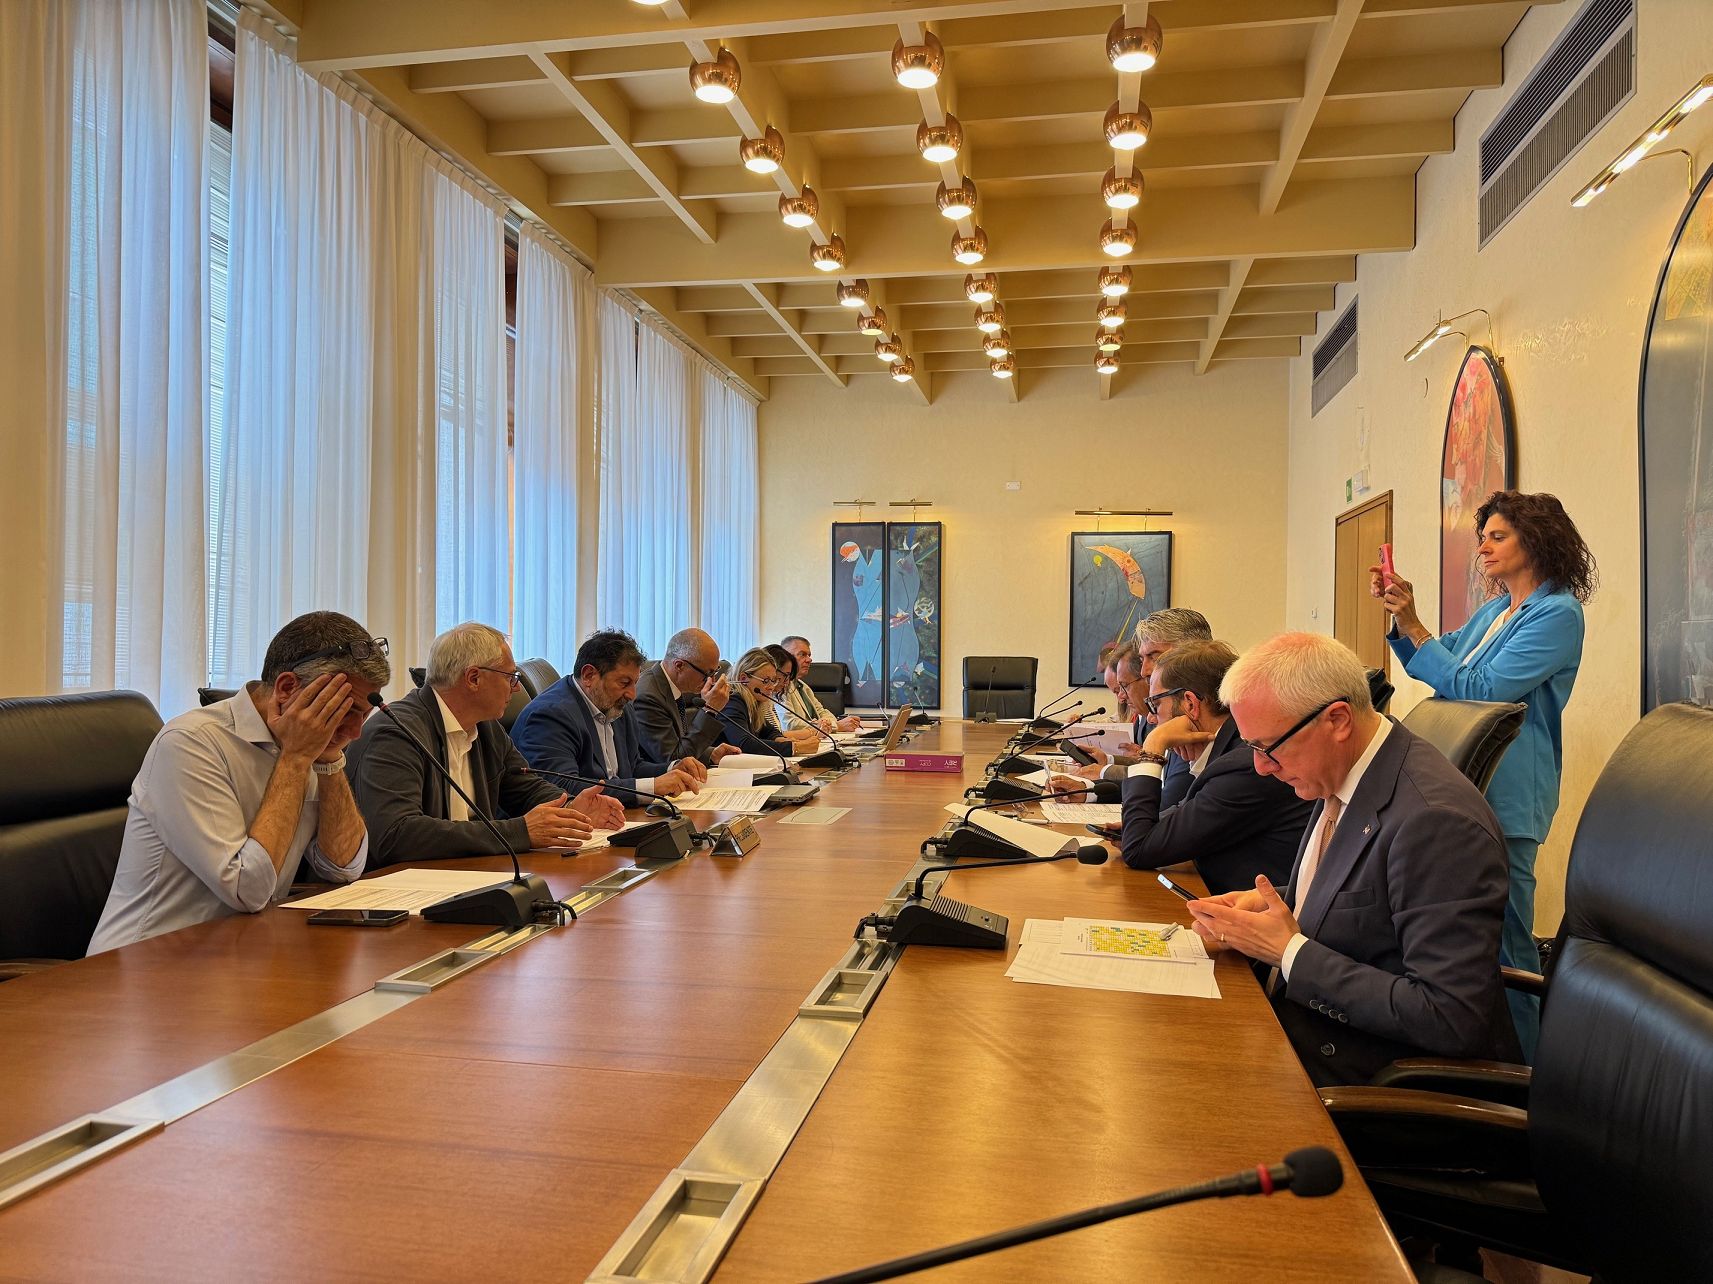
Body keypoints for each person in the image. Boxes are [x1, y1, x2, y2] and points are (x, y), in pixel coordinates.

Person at [1186, 633, 1519, 1087]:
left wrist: (1287, 951)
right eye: (1252, 749)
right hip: (1302, 1032)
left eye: (1269, 748)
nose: (1262, 767)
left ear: (1337, 720)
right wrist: (1278, 903)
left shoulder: (1436, 821)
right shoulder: (1347, 771)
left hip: (1371, 1082)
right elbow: (1378, 894)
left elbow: (1449, 1016)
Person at [1371, 489, 1595, 1061]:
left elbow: (1482, 689)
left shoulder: (1557, 614)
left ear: (1536, 540)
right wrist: (1403, 618)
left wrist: (1418, 629)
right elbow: (1436, 657)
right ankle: (1476, 1051)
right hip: (1463, 781)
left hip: (1511, 791)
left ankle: (1528, 1070)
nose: (1484, 549)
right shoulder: (1497, 612)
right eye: (1483, 538)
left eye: (1497, 537)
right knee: (1463, 934)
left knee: (1508, 936)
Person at [89, 611, 389, 952]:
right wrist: (294, 759)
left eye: (364, 715)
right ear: (287, 688)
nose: (356, 732)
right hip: (148, 962)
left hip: (242, 951)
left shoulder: (310, 744)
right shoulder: (191, 742)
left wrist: (330, 759)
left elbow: (343, 868)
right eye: (345, 711)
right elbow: (247, 890)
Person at [346, 622, 623, 866]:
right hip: (403, 889)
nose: (516, 688)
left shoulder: (485, 727)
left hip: (472, 872)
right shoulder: (396, 732)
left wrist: (570, 809)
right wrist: (520, 832)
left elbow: (524, 788)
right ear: (474, 678)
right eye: (510, 677)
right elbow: (396, 835)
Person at [1109, 642, 1312, 895]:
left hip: (1251, 912)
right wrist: (1141, 826)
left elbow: (1138, 851)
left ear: (1190, 704)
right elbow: (1187, 813)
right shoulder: (1231, 749)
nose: (1151, 718)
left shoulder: (1245, 766)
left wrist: (1153, 745)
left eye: (1155, 705)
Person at [511, 629, 707, 806]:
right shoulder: (550, 716)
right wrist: (652, 787)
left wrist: (672, 769)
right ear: (589, 675)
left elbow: (632, 768)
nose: (632, 695)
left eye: (635, 683)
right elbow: (565, 788)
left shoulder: (617, 705)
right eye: (624, 683)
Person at [1070, 608, 1212, 806]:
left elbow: (1163, 805)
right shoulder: (1174, 713)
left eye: (1153, 656)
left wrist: (1154, 743)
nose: (1144, 670)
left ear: (1191, 652)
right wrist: (1089, 792)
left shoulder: (1200, 720)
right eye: (1143, 658)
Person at [632, 628, 743, 766]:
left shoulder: (670, 686)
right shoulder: (648, 698)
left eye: (715, 672)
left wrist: (711, 753)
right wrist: (710, 710)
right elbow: (674, 760)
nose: (712, 680)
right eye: (707, 673)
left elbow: (679, 745)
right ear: (679, 666)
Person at [720, 647, 820, 757]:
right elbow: (745, 743)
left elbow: (768, 731)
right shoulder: (731, 700)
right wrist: (795, 747)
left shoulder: (754, 701)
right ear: (743, 679)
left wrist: (781, 739)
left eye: (773, 680)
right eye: (766, 681)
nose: (771, 687)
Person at [779, 635, 863, 733]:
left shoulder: (803, 686)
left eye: (809, 655)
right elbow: (789, 725)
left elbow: (823, 712)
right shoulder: (780, 687)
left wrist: (828, 724)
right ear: (786, 657)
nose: (809, 660)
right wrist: (836, 726)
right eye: (802, 654)